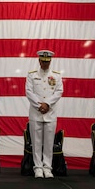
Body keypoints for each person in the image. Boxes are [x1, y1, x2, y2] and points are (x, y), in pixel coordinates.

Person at [25, 50, 63, 178]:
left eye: (48, 61)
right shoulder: (32, 75)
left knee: (49, 142)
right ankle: (38, 168)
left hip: (50, 113)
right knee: (36, 142)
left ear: (50, 61)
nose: (45, 63)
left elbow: (59, 92)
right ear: (39, 61)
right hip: (36, 112)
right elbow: (29, 92)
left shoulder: (56, 76)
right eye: (43, 61)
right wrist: (39, 105)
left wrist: (47, 104)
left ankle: (47, 167)